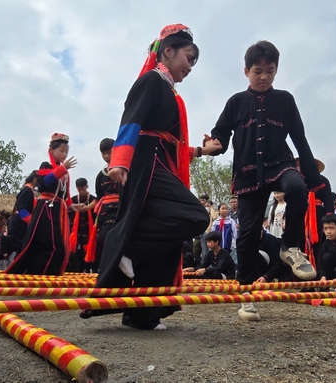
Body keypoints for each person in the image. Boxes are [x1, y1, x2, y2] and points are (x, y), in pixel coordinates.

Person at [80, 24, 217, 330]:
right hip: (146, 162)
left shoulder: (169, 91)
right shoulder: (151, 81)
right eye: (188, 57)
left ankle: (142, 314)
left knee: (167, 239)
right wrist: (121, 160)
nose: (190, 66)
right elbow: (131, 120)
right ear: (168, 51)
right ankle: (126, 248)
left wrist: (204, 152)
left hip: (162, 161)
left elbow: (174, 143)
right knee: (195, 216)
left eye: (194, 61)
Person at [208, 40, 323, 320]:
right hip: (247, 172)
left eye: (270, 71)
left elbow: (299, 137)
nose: (264, 77)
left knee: (297, 187)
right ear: (246, 71)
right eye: (258, 71)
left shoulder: (285, 100)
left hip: (279, 164)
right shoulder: (236, 102)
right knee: (247, 234)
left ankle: (291, 247)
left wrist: (315, 179)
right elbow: (221, 133)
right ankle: (246, 293)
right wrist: (213, 145)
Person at [6, 133, 78, 275]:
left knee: (60, 244)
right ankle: (40, 273)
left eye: (66, 152)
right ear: (52, 150)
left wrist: (72, 206)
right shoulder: (46, 167)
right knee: (51, 244)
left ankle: (51, 273)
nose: (64, 155)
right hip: (46, 208)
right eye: (61, 151)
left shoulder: (64, 172)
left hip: (58, 209)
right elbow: (45, 184)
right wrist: (61, 170)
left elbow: (65, 194)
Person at [84, 138, 122, 272]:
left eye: (109, 152)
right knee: (102, 239)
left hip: (121, 210)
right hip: (105, 212)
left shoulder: (125, 169)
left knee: (109, 237)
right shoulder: (101, 175)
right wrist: (87, 207)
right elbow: (99, 197)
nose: (106, 156)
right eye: (103, 153)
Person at [68, 178, 97, 272]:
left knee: (89, 251)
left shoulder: (93, 199)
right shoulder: (73, 200)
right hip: (75, 232)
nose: (81, 191)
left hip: (89, 231)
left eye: (83, 188)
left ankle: (88, 270)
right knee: (74, 253)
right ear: (76, 187)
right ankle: (75, 271)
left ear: (87, 186)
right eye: (79, 188)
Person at [8, 170, 38, 256]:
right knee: (20, 246)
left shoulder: (30, 189)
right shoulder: (27, 189)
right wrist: (28, 218)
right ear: (35, 179)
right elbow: (20, 205)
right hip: (20, 221)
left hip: (22, 221)